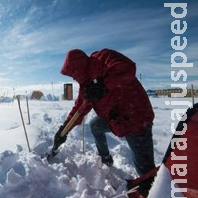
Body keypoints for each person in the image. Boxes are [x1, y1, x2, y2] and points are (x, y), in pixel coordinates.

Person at [52, 48, 156, 177]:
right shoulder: (86, 84)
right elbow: (80, 108)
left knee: (144, 168)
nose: (73, 78)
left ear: (78, 67)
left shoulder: (103, 58)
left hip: (136, 117)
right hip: (116, 119)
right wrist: (64, 130)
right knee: (95, 125)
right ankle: (105, 159)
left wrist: (103, 85)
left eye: (73, 74)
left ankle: (150, 190)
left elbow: (127, 69)